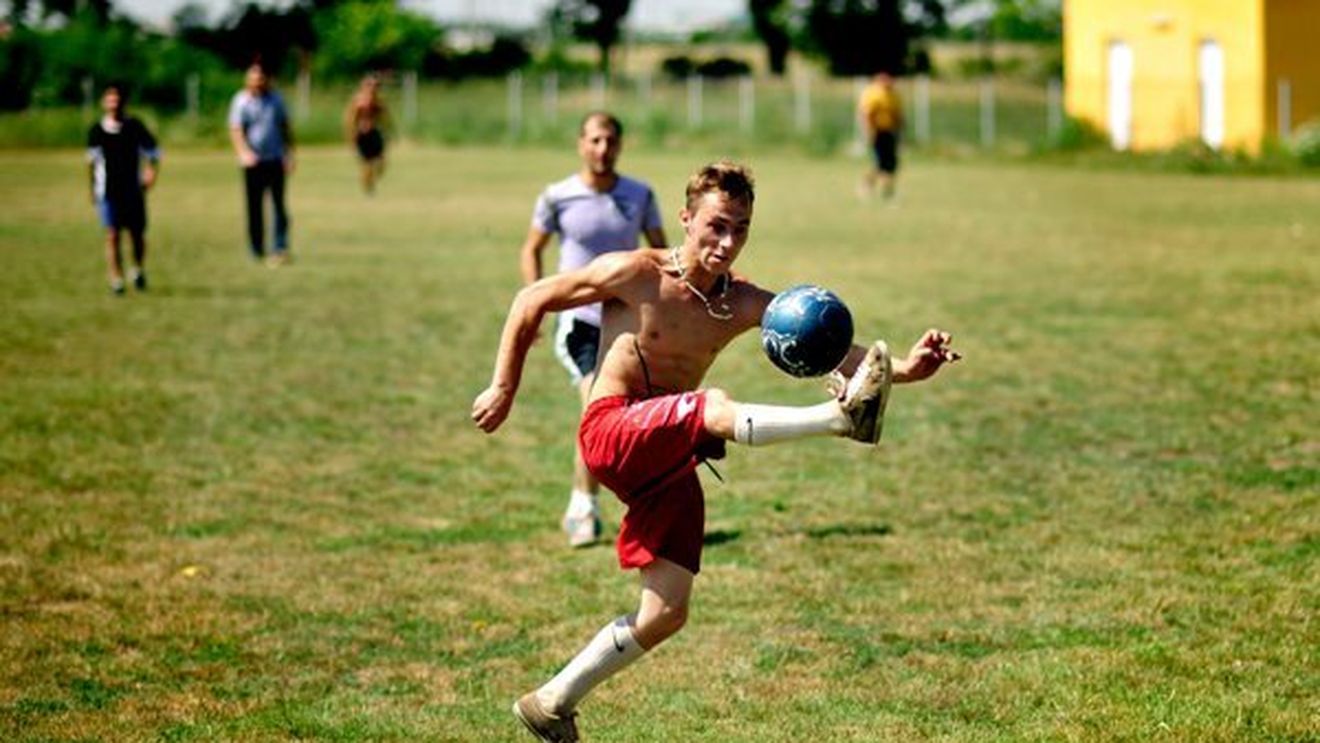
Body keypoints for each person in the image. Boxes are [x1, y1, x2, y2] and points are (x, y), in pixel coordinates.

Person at [473, 160, 959, 741]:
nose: (728, 243)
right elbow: (531, 298)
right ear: (685, 219)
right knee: (712, 405)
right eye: (716, 226)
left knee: (667, 611)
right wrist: (504, 386)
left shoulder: (743, 302)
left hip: (670, 457)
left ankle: (553, 701)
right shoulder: (636, 272)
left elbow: (845, 354)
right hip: (610, 431)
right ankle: (837, 419)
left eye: (742, 229)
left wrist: (908, 368)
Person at [520, 111, 667, 548]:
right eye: (595, 141)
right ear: (581, 143)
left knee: (625, 420)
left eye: (611, 142)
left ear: (620, 146)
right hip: (580, 324)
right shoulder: (557, 197)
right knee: (596, 412)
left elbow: (659, 251)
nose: (603, 150)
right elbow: (532, 249)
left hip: (626, 327)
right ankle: (582, 506)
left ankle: (616, 506)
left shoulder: (639, 194)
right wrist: (536, 303)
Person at [87, 83, 160, 295]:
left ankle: (138, 269)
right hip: (108, 192)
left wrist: (151, 173)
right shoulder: (96, 131)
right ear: (104, 102)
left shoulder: (135, 126)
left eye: (118, 98)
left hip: (133, 190)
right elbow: (91, 163)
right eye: (110, 98)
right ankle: (116, 279)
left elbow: (154, 152)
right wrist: (91, 188)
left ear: (124, 102)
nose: (114, 103)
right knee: (112, 234)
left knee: (136, 234)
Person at [228, 62, 295, 266]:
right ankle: (256, 248)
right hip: (253, 162)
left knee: (279, 206)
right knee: (254, 207)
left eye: (261, 80)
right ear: (247, 81)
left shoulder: (276, 99)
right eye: (253, 80)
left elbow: (285, 127)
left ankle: (280, 246)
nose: (257, 83)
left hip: (274, 159)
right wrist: (244, 153)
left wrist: (290, 154)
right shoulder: (241, 101)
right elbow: (236, 130)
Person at [857, 71, 904, 202]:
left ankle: (888, 192)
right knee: (880, 164)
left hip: (889, 132)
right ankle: (866, 184)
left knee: (892, 164)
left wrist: (900, 134)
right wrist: (868, 133)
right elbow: (866, 115)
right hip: (876, 132)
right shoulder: (874, 94)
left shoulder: (894, 95)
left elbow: (898, 116)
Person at [344, 73, 388, 195]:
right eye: (370, 85)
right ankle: (368, 187)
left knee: (381, 162)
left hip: (374, 132)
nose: (374, 88)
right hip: (361, 134)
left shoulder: (379, 101)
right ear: (363, 86)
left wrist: (387, 131)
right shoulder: (358, 101)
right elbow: (349, 119)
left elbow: (385, 117)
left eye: (376, 85)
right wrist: (351, 136)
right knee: (366, 163)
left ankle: (371, 180)